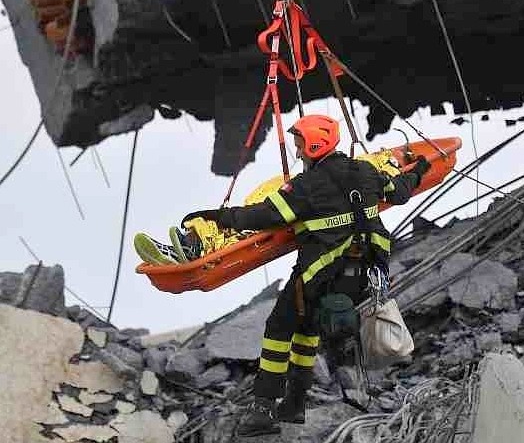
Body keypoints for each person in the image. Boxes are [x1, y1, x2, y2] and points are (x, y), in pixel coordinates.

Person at [136, 114, 430, 436]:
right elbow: (400, 191)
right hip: (363, 276)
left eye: (300, 144)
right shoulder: (366, 172)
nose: (298, 151)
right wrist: (419, 170)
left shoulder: (307, 187)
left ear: (315, 145)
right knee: (307, 332)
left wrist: (217, 216)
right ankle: (294, 404)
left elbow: (263, 215)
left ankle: (262, 408)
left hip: (320, 274)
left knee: (278, 330)